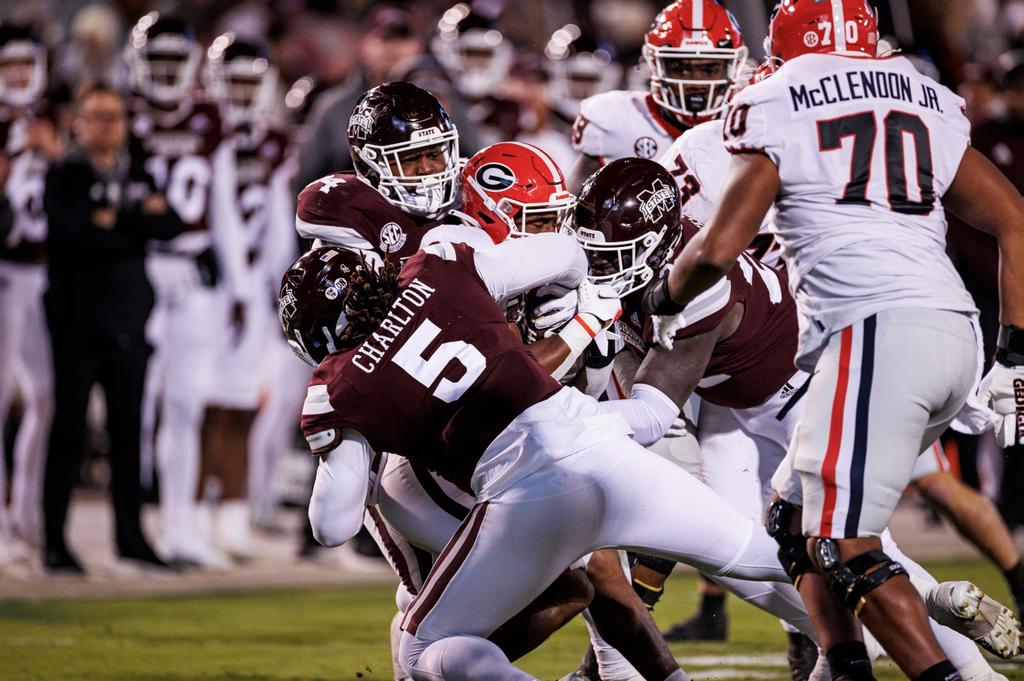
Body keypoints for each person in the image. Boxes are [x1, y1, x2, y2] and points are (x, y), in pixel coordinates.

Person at [651, 1, 1024, 679]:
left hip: (874, 330)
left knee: (844, 544)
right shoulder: (924, 96)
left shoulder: (779, 97)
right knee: (793, 519)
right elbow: (1015, 221)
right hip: (954, 334)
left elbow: (720, 245)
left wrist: (666, 295)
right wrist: (1016, 355)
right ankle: (843, 664)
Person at [565, 157, 1018, 681]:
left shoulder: (699, 283)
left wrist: (558, 417)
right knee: (737, 551)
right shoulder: (646, 260)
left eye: (612, 255)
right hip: (729, 408)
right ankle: (872, 631)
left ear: (661, 244)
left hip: (805, 388)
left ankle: (960, 656)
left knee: (845, 541)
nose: (598, 266)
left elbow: (650, 408)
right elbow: (631, 362)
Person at [283, 232, 794, 681]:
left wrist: (335, 441)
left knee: (420, 650)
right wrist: (584, 304)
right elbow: (565, 251)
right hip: (604, 445)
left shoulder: (339, 388)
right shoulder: (437, 266)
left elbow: (332, 527)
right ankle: (851, 627)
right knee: (760, 557)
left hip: (524, 493)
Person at [125, 12, 251, 567]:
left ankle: (179, 525)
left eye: (177, 59)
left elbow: (223, 206)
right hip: (136, 268)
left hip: (195, 271)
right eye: (159, 60)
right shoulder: (121, 114)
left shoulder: (208, 116)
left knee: (185, 405)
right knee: (137, 405)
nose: (168, 71)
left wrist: (242, 284)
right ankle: (133, 527)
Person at [41, 81, 184, 573]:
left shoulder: (137, 171)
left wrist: (113, 221)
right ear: (79, 122)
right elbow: (72, 234)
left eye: (115, 117)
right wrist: (134, 222)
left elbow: (172, 225)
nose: (108, 126)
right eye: (98, 117)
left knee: (129, 434)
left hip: (128, 321)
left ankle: (131, 537)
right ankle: (53, 541)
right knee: (69, 431)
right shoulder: (66, 173)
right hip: (77, 323)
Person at [200, 32, 299, 557]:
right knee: (198, 404)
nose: (240, 92)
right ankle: (195, 513)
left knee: (242, 402)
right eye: (232, 80)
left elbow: (279, 222)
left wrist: (275, 284)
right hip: (206, 283)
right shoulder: (202, 132)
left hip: (253, 286)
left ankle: (234, 512)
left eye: (247, 82)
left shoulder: (272, 142)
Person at [567, 0, 749, 189]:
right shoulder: (618, 122)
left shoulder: (749, 126)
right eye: (681, 68)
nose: (697, 82)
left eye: (710, 69)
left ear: (733, 67)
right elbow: (572, 211)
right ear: (655, 64)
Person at [0, 22, 61, 558]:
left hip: (40, 272)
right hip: (4, 270)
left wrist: (55, 153)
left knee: (43, 397)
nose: (17, 76)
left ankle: (24, 511)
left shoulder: (44, 123)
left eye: (24, 65)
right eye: (7, 66)